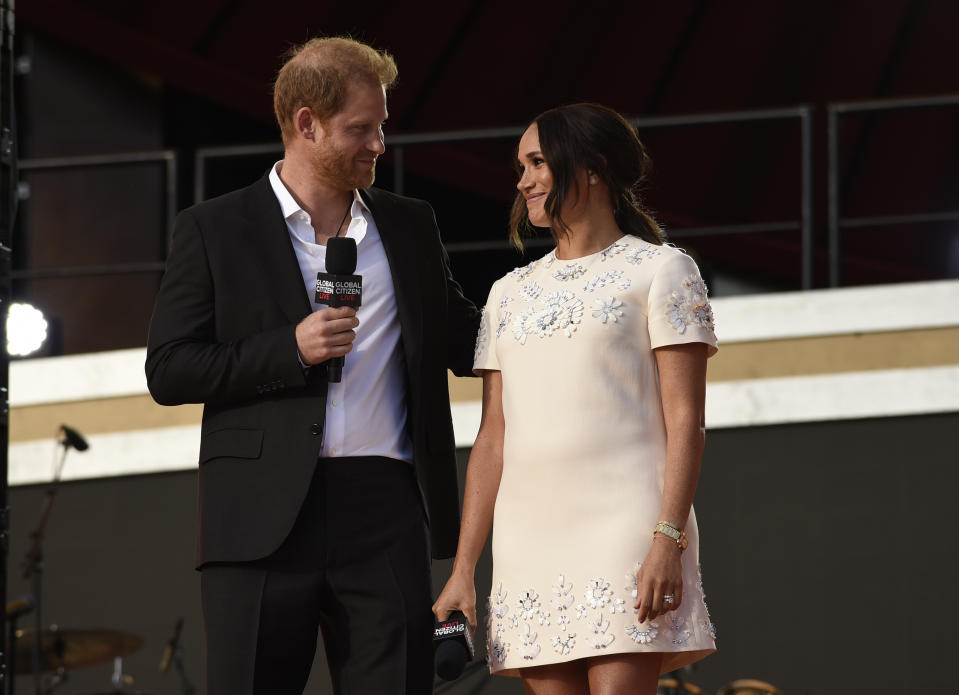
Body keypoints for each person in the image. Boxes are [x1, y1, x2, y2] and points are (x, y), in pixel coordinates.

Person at [145, 37, 479, 695]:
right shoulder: (214, 228)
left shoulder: (411, 225)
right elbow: (170, 368)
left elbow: (464, 335)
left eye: (381, 127)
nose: (378, 144)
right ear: (306, 124)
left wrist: (564, 304)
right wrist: (290, 349)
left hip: (385, 508)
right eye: (361, 128)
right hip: (258, 520)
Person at [433, 103, 718, 694]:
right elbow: (492, 438)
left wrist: (668, 537)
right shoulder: (507, 293)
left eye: (538, 162)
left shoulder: (664, 271)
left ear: (592, 168)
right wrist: (464, 569)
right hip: (528, 540)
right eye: (521, 165)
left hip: (629, 529)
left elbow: (686, 420)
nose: (523, 180)